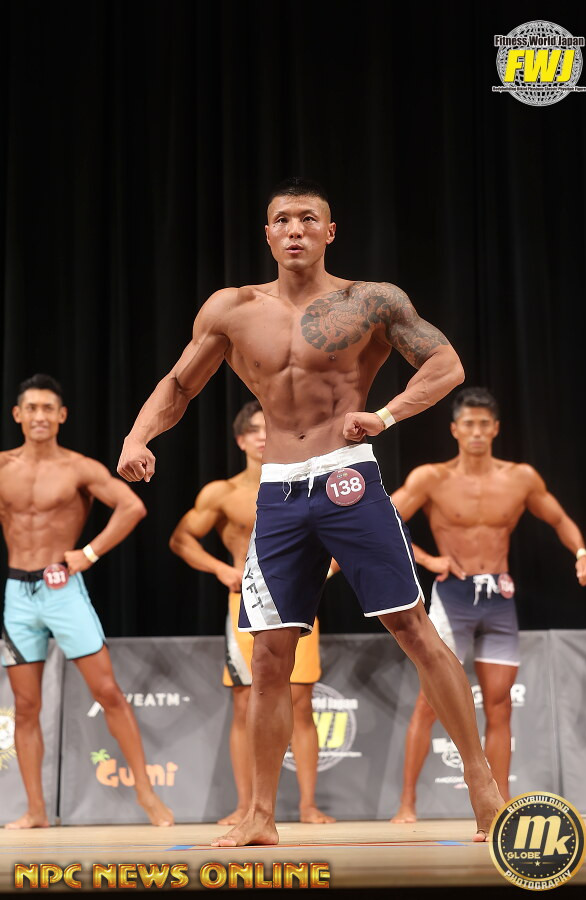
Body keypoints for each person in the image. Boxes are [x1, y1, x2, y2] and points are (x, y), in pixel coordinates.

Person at [118, 176, 503, 846]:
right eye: (282, 220)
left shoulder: (370, 300)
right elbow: (179, 384)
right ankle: (261, 815)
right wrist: (137, 437)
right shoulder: (232, 309)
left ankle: (483, 786)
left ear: (330, 231)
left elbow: (446, 365)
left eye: (307, 218)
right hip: (279, 492)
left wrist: (385, 415)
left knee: (411, 627)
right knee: (270, 657)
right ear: (267, 234)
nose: (294, 229)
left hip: (348, 477)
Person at [389, 386, 586, 823]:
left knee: (499, 705)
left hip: (499, 599)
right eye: (469, 424)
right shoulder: (432, 478)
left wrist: (580, 553)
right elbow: (384, 521)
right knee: (431, 700)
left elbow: (559, 518)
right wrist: (427, 559)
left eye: (485, 424)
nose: (477, 432)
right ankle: (407, 804)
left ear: (496, 429)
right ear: (455, 430)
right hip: (454, 597)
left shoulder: (520, 478)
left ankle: (500, 803)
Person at [0, 374, 173, 829]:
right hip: (18, 595)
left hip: (62, 590)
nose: (39, 416)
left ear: (61, 416)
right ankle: (36, 810)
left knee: (108, 692)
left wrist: (89, 554)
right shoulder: (2, 467)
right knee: (25, 707)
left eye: (47, 408)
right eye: (31, 408)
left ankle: (146, 794)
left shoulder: (79, 467)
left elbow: (132, 507)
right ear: (18, 415)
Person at [169, 399, 334, 825]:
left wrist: (324, 570)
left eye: (271, 427)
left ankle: (308, 806)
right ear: (241, 439)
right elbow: (181, 538)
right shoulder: (222, 493)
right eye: (256, 429)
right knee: (246, 700)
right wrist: (222, 569)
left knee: (301, 701)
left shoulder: (307, 484)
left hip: (299, 599)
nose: (264, 436)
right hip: (247, 600)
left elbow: (337, 539)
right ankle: (246, 806)